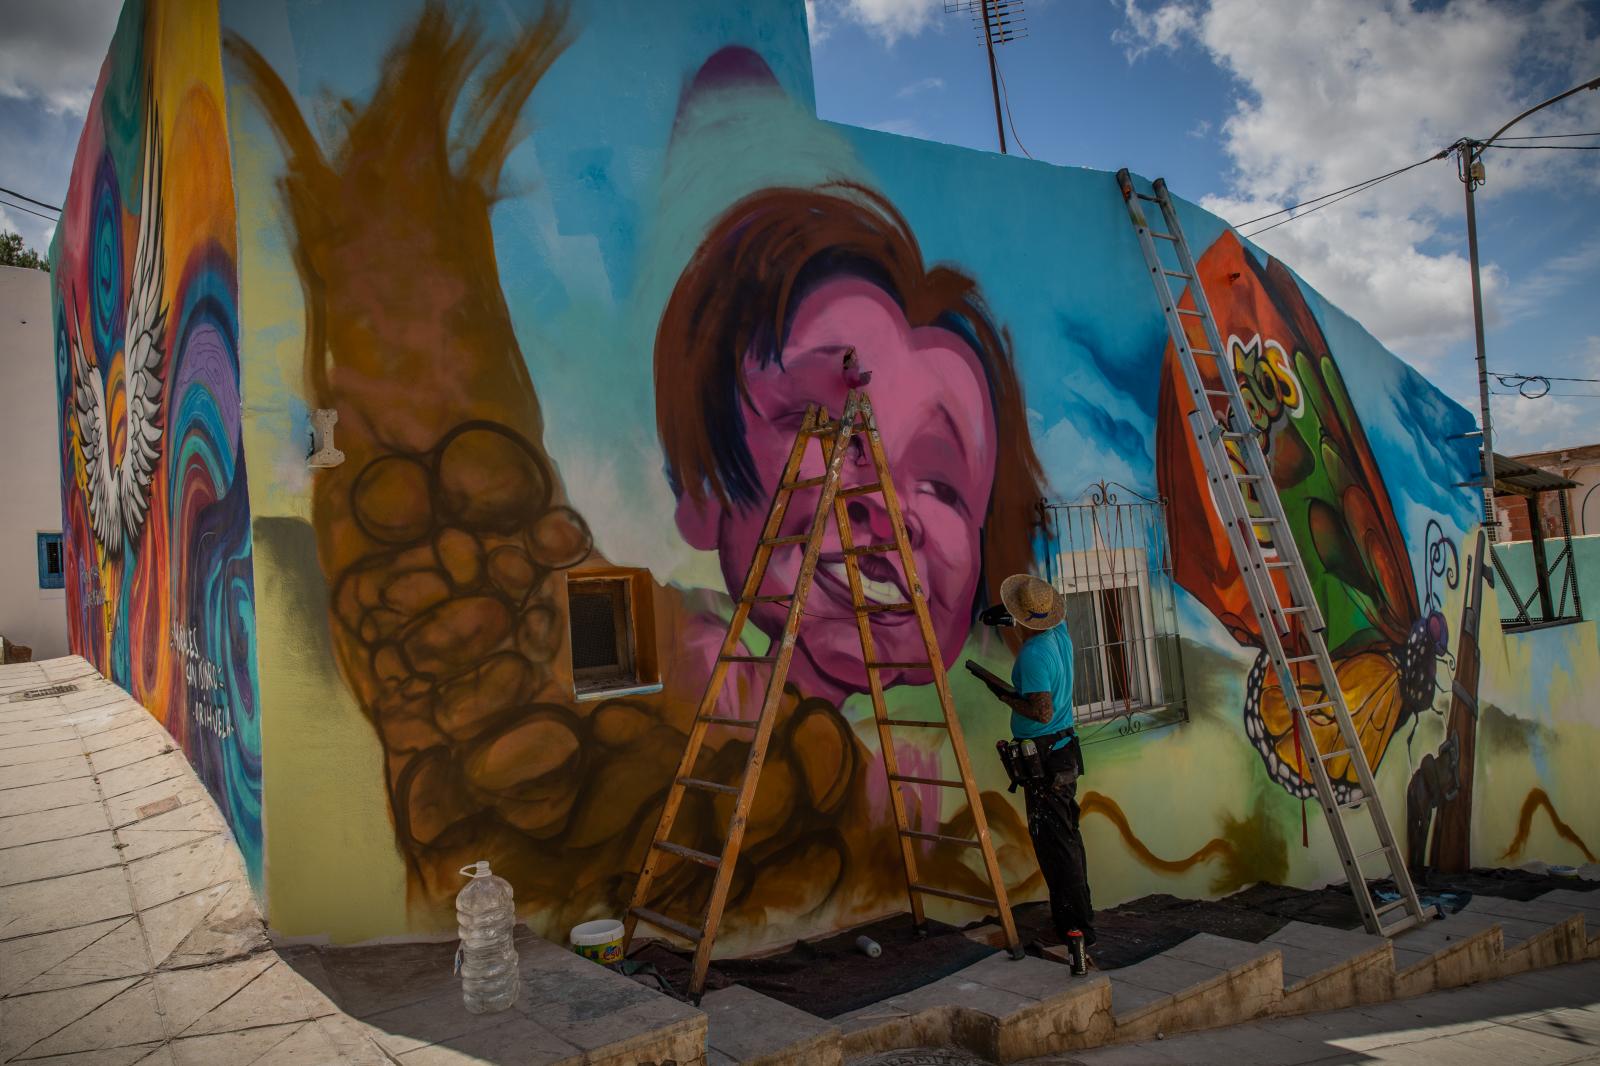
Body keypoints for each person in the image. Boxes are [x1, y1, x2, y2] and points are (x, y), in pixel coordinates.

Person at [980, 573, 1096, 947]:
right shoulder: (1058, 635)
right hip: (1062, 751)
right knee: (1068, 839)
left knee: (1055, 846)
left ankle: (1075, 930)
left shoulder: (1032, 655)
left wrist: (1003, 695)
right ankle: (1079, 920)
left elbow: (1042, 711)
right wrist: (1004, 616)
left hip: (1044, 755)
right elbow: (1032, 619)